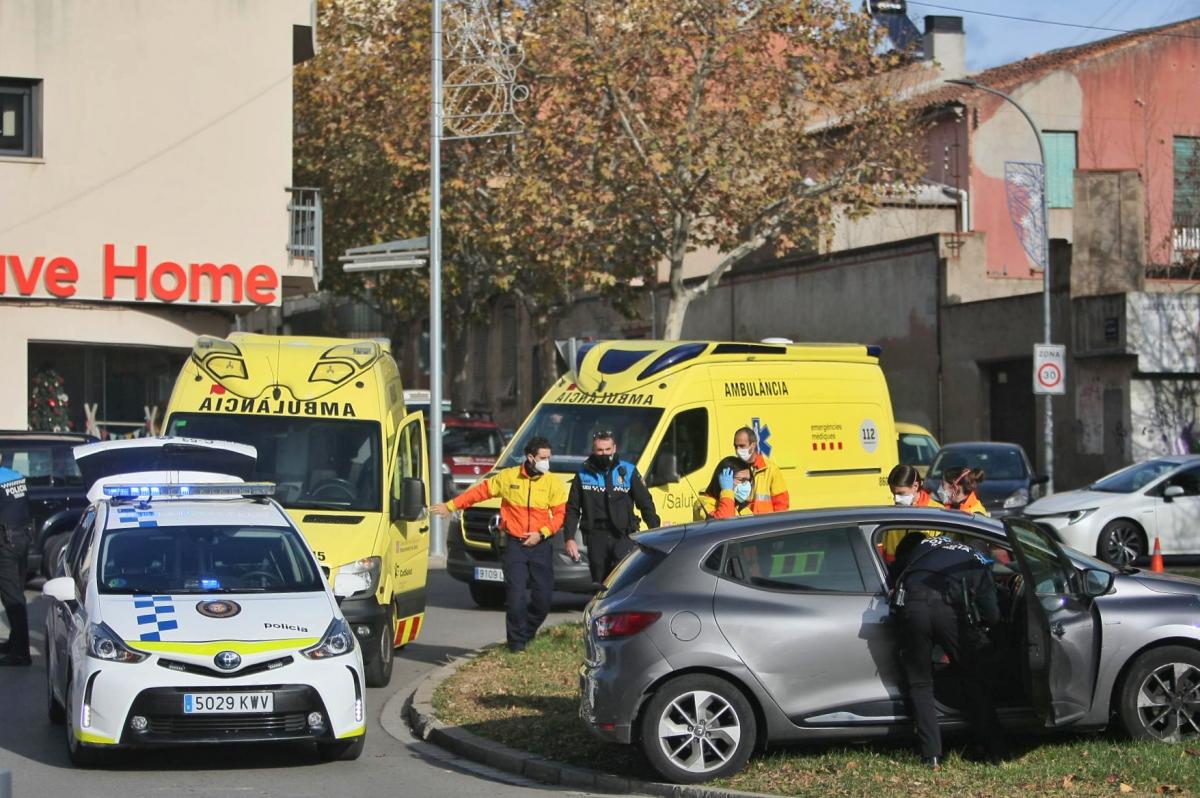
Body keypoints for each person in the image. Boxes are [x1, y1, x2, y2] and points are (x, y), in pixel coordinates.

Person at [431, 436, 568, 653]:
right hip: (515, 544)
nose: (547, 463)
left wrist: (542, 534)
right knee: (516, 597)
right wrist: (451, 505)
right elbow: (479, 493)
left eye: (549, 458)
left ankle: (526, 632)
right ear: (531, 457)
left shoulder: (552, 482)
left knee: (543, 598)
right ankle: (516, 645)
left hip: (541, 544)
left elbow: (560, 516)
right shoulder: (508, 477)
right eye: (543, 458)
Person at [890, 531, 1004, 769]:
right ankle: (991, 749)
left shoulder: (926, 545)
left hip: (912, 607)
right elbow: (992, 614)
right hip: (949, 609)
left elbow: (895, 573)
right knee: (973, 676)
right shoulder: (978, 559)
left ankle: (931, 755)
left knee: (920, 683)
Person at [563, 431, 660, 585]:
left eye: (608, 450)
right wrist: (569, 538)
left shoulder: (627, 471)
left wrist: (656, 531)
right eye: (600, 450)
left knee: (622, 579)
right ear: (593, 451)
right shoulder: (583, 473)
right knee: (600, 582)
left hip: (623, 535)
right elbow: (573, 508)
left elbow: (645, 503)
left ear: (614, 448)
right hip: (596, 536)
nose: (604, 454)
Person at [0, 467, 32, 666]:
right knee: (16, 592)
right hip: (22, 538)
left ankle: (21, 652)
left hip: (6, 543)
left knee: (12, 598)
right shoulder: (15, 475)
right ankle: (15, 642)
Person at [881, 464, 943, 562]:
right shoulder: (893, 513)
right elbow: (884, 551)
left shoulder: (937, 512)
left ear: (915, 486)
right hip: (894, 572)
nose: (896, 499)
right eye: (893, 494)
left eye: (901, 493)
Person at [733, 427, 789, 514]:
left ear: (753, 445)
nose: (738, 450)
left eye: (742, 446)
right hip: (742, 524)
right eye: (736, 446)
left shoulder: (770, 470)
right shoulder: (732, 469)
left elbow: (781, 505)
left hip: (764, 525)